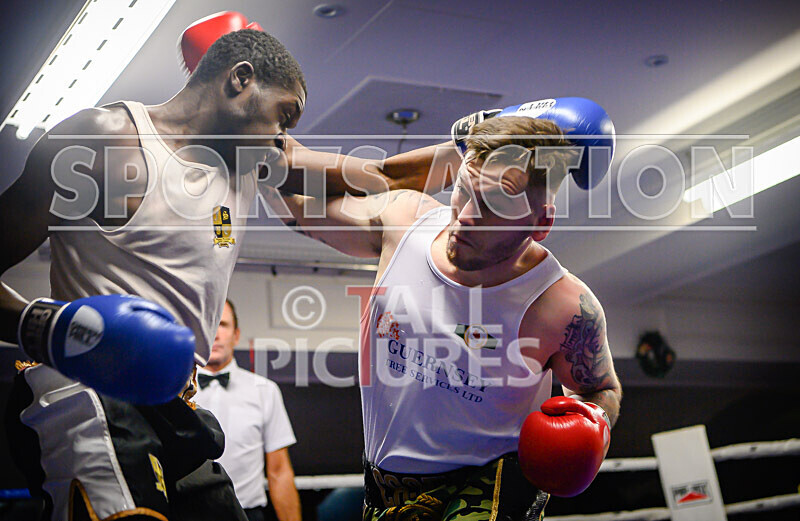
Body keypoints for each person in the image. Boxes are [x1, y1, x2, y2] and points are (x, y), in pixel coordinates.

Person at [0, 15, 458, 521]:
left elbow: (380, 175)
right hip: (89, 390)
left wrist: (476, 146)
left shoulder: (254, 159)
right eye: (284, 115)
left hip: (175, 403)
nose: (284, 136)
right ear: (240, 79)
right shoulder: (103, 141)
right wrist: (55, 327)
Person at [267, 101, 623, 520]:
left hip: (485, 492)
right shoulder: (404, 221)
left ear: (540, 224)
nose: (465, 218)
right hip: (384, 490)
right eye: (464, 191)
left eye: (493, 207)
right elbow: (297, 208)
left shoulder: (563, 306)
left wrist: (593, 422)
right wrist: (257, 136)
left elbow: (601, 388)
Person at [194, 299, 301, 521]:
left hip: (249, 514)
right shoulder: (171, 389)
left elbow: (279, 471)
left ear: (236, 335)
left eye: (223, 325)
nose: (215, 334)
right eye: (208, 325)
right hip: (187, 512)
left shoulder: (265, 390)